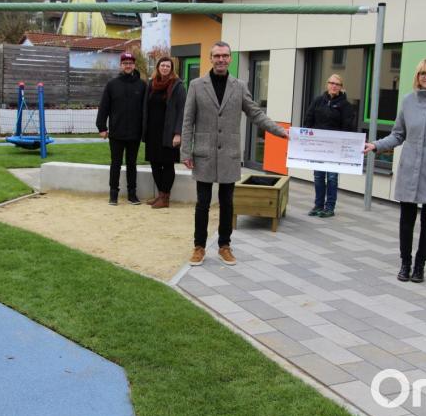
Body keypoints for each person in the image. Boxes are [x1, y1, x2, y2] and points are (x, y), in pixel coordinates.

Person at [180, 41, 288, 266]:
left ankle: (224, 246)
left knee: (228, 202)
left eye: (225, 56)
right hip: (203, 153)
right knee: (202, 203)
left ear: (230, 59)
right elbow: (188, 120)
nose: (221, 59)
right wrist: (185, 152)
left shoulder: (239, 86)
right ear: (211, 58)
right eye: (217, 55)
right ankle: (199, 247)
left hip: (229, 153)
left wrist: (280, 132)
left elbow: (256, 114)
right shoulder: (197, 85)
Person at [364, 58, 426, 283]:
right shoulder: (407, 101)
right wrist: (376, 145)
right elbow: (398, 134)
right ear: (417, 77)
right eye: (423, 73)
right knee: (406, 220)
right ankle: (405, 263)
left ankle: (420, 265)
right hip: (409, 168)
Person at [302, 74, 356, 218]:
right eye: (331, 83)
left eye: (337, 84)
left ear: (341, 87)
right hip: (318, 147)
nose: (334, 86)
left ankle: (329, 207)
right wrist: (305, 138)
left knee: (332, 177)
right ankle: (318, 205)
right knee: (318, 176)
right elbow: (308, 119)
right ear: (327, 84)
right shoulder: (318, 101)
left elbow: (348, 127)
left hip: (335, 149)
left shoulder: (346, 106)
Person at [96, 52, 146, 205]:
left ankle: (132, 195)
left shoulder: (142, 85)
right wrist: (102, 127)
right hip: (116, 133)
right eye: (125, 63)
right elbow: (104, 107)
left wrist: (145, 131)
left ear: (134, 65)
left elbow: (146, 110)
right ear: (121, 65)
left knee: (132, 164)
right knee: (115, 164)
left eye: (130, 63)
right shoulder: (112, 84)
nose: (128, 65)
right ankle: (113, 195)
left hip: (134, 134)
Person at [141, 57, 186, 209]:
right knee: (154, 164)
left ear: (171, 69)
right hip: (153, 132)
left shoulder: (178, 86)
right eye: (162, 65)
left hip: (169, 133)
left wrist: (178, 133)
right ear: (158, 67)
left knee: (167, 165)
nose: (165, 68)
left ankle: (165, 197)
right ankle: (161, 195)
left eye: (168, 66)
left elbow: (182, 111)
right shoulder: (151, 84)